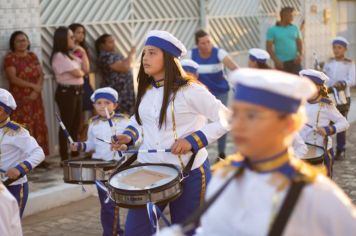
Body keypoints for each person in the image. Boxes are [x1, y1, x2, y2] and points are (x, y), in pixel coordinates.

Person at [159, 69, 356, 236]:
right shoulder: (225, 178)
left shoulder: (317, 195)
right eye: (236, 113)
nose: (239, 124)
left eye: (252, 115)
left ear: (288, 125)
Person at [112, 30, 230, 236]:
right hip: (149, 172)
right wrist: (128, 135)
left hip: (189, 173)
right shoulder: (147, 89)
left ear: (167, 58)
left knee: (188, 231)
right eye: (144, 53)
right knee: (135, 231)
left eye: (152, 53)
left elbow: (227, 118)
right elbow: (140, 120)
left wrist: (194, 140)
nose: (145, 58)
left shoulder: (192, 90)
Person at [70, 87, 128, 236]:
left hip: (118, 166)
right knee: (107, 203)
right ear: (94, 106)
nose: (103, 106)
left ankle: (115, 232)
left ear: (115, 105)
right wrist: (79, 146)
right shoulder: (93, 122)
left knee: (115, 202)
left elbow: (133, 140)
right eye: (99, 103)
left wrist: (122, 143)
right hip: (100, 166)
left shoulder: (123, 120)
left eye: (107, 102)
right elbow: (91, 145)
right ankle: (112, 232)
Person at [186, 29, 238, 160]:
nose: (207, 45)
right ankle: (200, 153)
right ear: (197, 45)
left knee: (223, 120)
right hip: (202, 94)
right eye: (203, 43)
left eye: (209, 41)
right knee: (199, 123)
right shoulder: (191, 55)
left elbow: (235, 68)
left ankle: (221, 153)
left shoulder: (219, 53)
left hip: (221, 92)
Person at [4, 31, 49, 168]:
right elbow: (13, 78)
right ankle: (23, 160)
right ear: (13, 43)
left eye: (24, 40)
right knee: (23, 125)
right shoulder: (10, 58)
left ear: (28, 42)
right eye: (19, 41)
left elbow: (41, 74)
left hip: (35, 98)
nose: (22, 43)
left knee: (38, 124)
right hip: (20, 98)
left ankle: (39, 158)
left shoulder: (32, 56)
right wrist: (33, 87)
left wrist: (37, 89)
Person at [0, 88, 45, 217]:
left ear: (6, 112)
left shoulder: (17, 132)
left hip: (13, 186)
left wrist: (20, 169)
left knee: (11, 226)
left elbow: (38, 153)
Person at [299, 69, 349, 177]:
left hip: (321, 150)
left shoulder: (326, 105)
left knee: (324, 184)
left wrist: (328, 130)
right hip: (301, 150)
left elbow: (344, 123)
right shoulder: (300, 101)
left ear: (317, 87)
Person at [51, 26, 88, 162]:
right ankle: (64, 156)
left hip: (77, 91)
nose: (74, 39)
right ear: (62, 40)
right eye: (71, 37)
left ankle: (74, 154)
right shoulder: (59, 56)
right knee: (66, 124)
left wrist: (83, 53)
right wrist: (81, 72)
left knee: (75, 124)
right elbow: (79, 73)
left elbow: (86, 69)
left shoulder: (70, 55)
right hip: (66, 92)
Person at [323, 36, 356, 160]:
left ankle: (341, 149)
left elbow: (352, 80)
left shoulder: (349, 63)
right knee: (326, 121)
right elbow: (325, 76)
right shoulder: (329, 62)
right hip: (330, 95)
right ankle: (327, 148)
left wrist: (342, 83)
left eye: (339, 48)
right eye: (334, 48)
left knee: (341, 121)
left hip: (343, 97)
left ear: (345, 49)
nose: (336, 50)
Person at [95, 34, 136, 115]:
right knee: (117, 117)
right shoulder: (105, 56)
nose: (114, 44)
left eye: (113, 41)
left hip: (124, 92)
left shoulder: (113, 54)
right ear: (102, 45)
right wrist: (131, 54)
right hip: (117, 92)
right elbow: (125, 67)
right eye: (110, 42)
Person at [69, 23, 93, 141]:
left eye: (83, 32)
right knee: (80, 116)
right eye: (78, 32)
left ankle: (84, 134)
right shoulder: (70, 50)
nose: (81, 35)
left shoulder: (83, 48)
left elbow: (88, 69)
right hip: (76, 83)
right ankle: (80, 141)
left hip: (86, 81)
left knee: (95, 109)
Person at [266, 7, 303, 74]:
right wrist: (276, 60)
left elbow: (300, 43)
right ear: (284, 16)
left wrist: (300, 55)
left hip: (295, 62)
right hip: (281, 64)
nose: (293, 18)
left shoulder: (295, 28)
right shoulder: (272, 30)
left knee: (297, 82)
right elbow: (269, 48)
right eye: (291, 15)